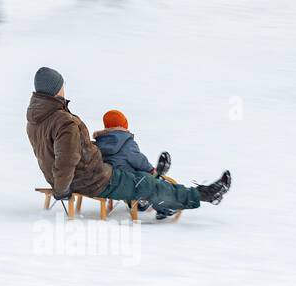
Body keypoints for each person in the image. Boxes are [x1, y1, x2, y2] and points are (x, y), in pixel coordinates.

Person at [26, 67, 230, 217]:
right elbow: (66, 159)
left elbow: (57, 156)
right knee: (147, 183)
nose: (64, 90)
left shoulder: (36, 120)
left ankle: (154, 199)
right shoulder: (63, 121)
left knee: (137, 175)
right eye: (62, 86)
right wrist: (62, 191)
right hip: (93, 179)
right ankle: (204, 194)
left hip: (79, 176)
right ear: (55, 90)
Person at [92, 109, 177, 219]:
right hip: (131, 178)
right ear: (123, 124)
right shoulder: (126, 141)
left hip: (111, 181)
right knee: (146, 180)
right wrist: (150, 169)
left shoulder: (100, 142)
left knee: (127, 183)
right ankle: (164, 206)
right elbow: (138, 159)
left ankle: (139, 204)